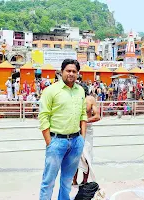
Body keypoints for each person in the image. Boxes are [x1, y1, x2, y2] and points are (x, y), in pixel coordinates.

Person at [39, 59, 87, 200]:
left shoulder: (80, 90)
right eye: (68, 71)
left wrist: (82, 139)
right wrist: (49, 141)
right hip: (56, 141)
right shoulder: (51, 91)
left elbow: (83, 114)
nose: (71, 74)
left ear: (78, 74)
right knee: (48, 181)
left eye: (74, 71)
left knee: (67, 180)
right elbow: (43, 117)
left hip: (76, 141)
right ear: (61, 72)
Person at [73, 84, 100, 185]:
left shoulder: (90, 100)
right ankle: (74, 181)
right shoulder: (72, 99)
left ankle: (85, 181)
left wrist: (85, 120)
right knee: (74, 156)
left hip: (87, 130)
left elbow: (97, 116)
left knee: (87, 156)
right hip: (74, 130)